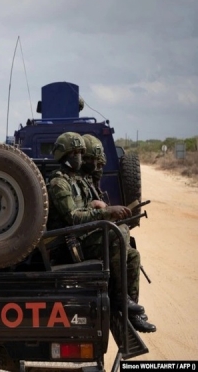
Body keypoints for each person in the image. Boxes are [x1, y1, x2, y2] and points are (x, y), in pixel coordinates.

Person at [47, 132, 156, 333]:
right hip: (66, 244)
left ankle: (130, 312)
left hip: (80, 237)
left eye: (81, 152)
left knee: (132, 255)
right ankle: (119, 299)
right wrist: (105, 212)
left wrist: (96, 205)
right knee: (116, 235)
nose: (79, 157)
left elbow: (81, 207)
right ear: (65, 155)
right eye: (75, 153)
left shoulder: (76, 180)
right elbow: (73, 217)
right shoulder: (58, 182)